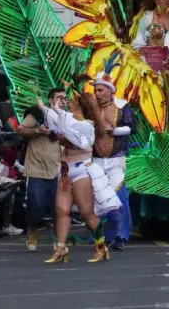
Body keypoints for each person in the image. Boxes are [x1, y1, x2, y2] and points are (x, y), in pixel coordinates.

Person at [41, 92, 116, 264]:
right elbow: (58, 129)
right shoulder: (67, 121)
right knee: (61, 210)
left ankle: (100, 245)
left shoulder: (87, 125)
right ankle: (60, 248)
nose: (68, 109)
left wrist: (55, 112)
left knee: (86, 212)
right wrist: (47, 109)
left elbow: (72, 136)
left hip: (82, 170)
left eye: (71, 106)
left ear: (81, 108)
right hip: (65, 171)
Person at [91, 70, 135, 250]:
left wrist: (113, 131)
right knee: (100, 199)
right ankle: (102, 236)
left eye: (100, 90)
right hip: (96, 160)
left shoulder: (122, 107)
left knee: (118, 197)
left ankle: (120, 235)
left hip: (116, 160)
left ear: (110, 90)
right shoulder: (91, 108)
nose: (97, 94)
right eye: (96, 91)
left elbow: (132, 128)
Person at [15, 88, 64, 251]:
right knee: (35, 206)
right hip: (37, 169)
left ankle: (59, 241)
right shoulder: (37, 114)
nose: (63, 101)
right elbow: (20, 130)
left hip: (59, 170)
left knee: (59, 209)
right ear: (50, 100)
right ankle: (32, 232)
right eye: (59, 97)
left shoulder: (68, 117)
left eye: (65, 98)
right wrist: (38, 130)